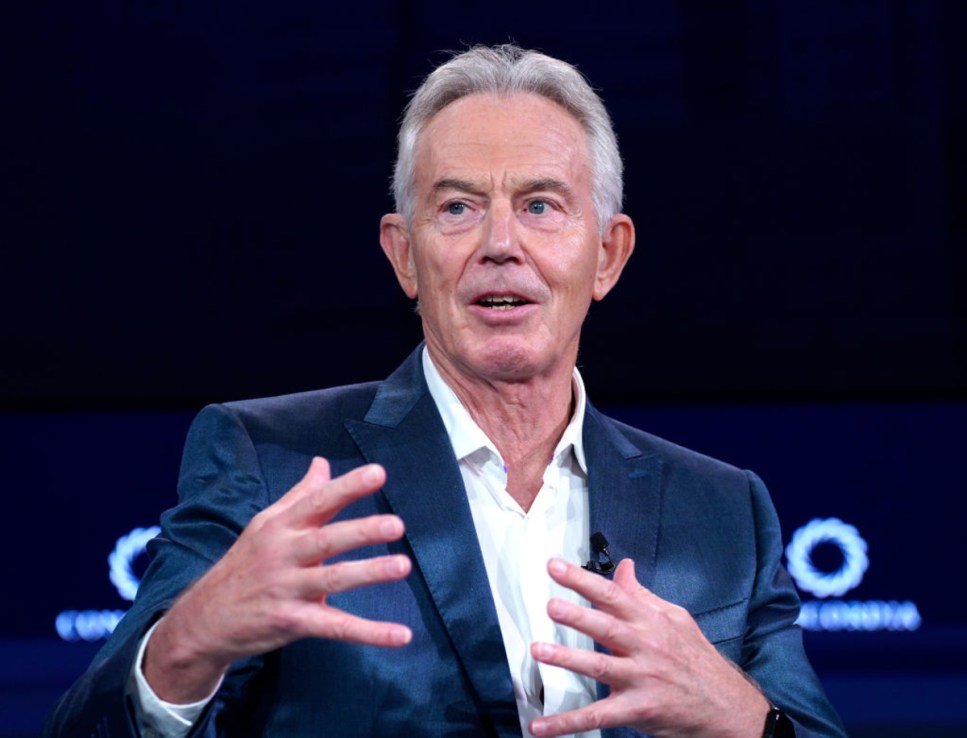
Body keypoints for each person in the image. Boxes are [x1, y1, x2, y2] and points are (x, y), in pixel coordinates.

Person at [45, 44, 846, 738]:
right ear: (403, 255)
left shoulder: (725, 513)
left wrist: (745, 719)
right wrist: (186, 645)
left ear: (607, 255)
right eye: (458, 207)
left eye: (540, 205)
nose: (501, 245)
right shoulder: (275, 465)